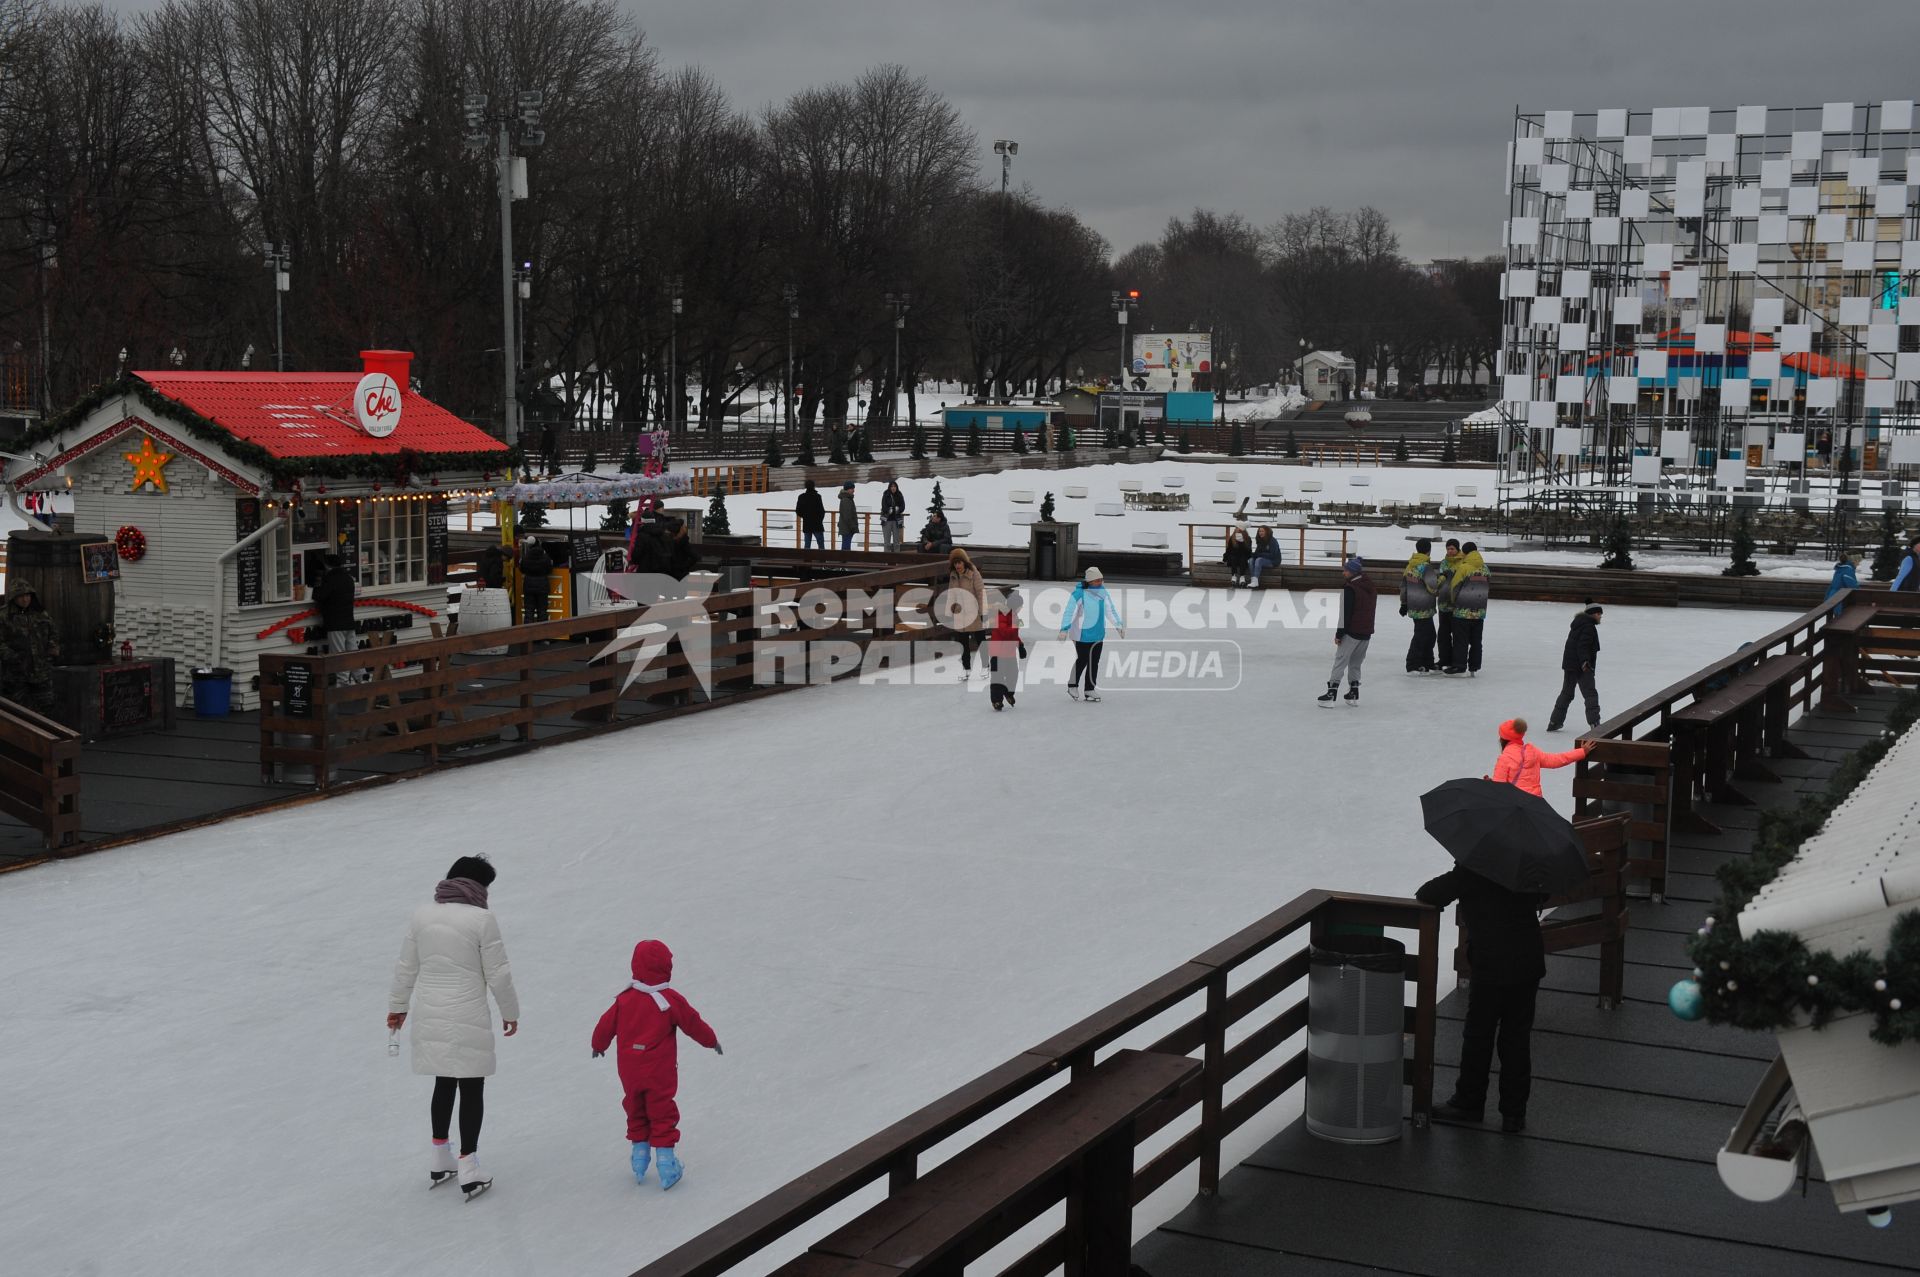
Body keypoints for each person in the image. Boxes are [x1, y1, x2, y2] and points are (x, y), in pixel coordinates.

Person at [388, 855, 520, 1199]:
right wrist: (510, 1012)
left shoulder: (422, 915)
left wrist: (397, 1009)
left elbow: (406, 966)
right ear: (478, 885)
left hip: (430, 1012)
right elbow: (498, 974)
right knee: (471, 1087)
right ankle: (468, 1163)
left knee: (444, 1081)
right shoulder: (482, 919)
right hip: (467, 1014)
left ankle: (439, 1154)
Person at [1416, 861, 1548, 1134]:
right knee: (1517, 1037)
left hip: (1492, 963)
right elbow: (1543, 894)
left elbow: (1430, 892)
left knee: (1478, 1034)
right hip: (1527, 962)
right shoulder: (1528, 864)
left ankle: (1469, 1103)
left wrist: (1462, 868)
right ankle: (1514, 1114)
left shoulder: (1476, 866)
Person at [591, 940, 720, 1191]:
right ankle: (666, 1163)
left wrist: (598, 1045)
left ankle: (639, 1158)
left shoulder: (624, 999)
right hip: (658, 1071)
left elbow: (605, 1025)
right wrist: (711, 1040)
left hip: (629, 1069)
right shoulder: (670, 1000)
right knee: (661, 1111)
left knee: (635, 1106)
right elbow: (693, 1023)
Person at [1059, 565, 1124, 702]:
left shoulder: (1103, 592)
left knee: (1094, 662)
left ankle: (1089, 689)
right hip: (1082, 635)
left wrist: (1118, 625)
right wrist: (1064, 629)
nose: (1100, 582)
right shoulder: (1079, 594)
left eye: (1101, 579)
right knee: (1082, 660)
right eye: (1097, 580)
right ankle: (1072, 685)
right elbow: (1069, 612)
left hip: (1098, 634)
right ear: (1089, 581)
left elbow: (1110, 610)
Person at [1319, 557, 1376, 706]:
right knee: (1356, 663)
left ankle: (1331, 693)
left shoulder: (1350, 588)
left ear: (1352, 572)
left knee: (1340, 661)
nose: (1343, 573)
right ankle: (1353, 693)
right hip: (1366, 632)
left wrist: (1339, 634)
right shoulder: (1369, 586)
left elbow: (1345, 614)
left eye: (1346, 570)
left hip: (1352, 632)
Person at [1490, 717, 1587, 798]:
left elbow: (1499, 788)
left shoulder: (1504, 758)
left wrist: (1489, 784)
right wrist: (1582, 751)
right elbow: (1557, 760)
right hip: (1535, 802)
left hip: (1515, 803)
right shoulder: (1532, 752)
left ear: (1503, 739)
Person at [0, 581, 58, 713]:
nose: (25, 599)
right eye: (21, 596)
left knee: (46, 709)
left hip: (41, 672)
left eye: (28, 595)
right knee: (18, 712)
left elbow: (53, 632)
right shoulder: (4, 616)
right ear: (14, 597)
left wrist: (52, 651)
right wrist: (12, 657)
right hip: (16, 674)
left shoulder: (40, 613)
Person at [1547, 604, 1604, 732]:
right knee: (1590, 694)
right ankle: (1595, 724)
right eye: (1599, 614)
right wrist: (1585, 662)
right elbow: (1582, 646)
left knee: (1566, 693)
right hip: (1582, 666)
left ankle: (1554, 722)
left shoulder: (1578, 624)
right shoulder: (1588, 627)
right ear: (1593, 614)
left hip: (1570, 665)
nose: (1600, 617)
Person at [939, 548, 989, 678]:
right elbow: (951, 594)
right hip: (960, 614)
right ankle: (966, 668)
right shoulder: (953, 575)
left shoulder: (974, 573)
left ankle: (985, 666)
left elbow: (980, 592)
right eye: (955, 563)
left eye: (959, 562)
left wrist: (983, 611)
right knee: (963, 643)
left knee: (980, 640)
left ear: (964, 562)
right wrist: (948, 613)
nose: (958, 566)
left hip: (974, 612)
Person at [1445, 542, 1490, 676]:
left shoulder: (1464, 568)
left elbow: (1455, 587)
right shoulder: (1485, 569)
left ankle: (1459, 666)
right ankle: (1474, 666)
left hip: (1463, 611)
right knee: (1476, 641)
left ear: (1464, 553)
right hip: (1479, 611)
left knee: (1461, 639)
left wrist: (1454, 601)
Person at [1400, 538, 1441, 673]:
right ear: (1429, 550)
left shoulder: (1410, 565)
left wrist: (1404, 603)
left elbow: (1404, 585)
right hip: (1424, 607)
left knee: (1428, 634)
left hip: (1413, 605)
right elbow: (1433, 588)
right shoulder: (1425, 566)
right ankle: (1412, 664)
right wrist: (1442, 579)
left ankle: (1427, 662)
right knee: (1422, 635)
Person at [987, 589, 1027, 710]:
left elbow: (1014, 635)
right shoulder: (1000, 614)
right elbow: (1005, 633)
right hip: (998, 652)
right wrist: (1016, 625)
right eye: (1020, 606)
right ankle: (997, 701)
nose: (1021, 608)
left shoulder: (1014, 614)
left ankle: (1008, 693)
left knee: (1013, 675)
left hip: (1009, 652)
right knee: (997, 677)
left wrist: (1020, 645)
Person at [313, 553, 358, 658]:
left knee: (338, 655)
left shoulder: (331, 579)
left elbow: (319, 596)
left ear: (327, 566)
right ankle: (360, 674)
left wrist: (317, 584)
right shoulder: (348, 578)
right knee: (353, 652)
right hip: (349, 621)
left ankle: (343, 675)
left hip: (335, 623)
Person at [1435, 538, 1462, 670]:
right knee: (1443, 634)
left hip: (1456, 605)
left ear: (1458, 549)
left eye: (1452, 549)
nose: (1450, 551)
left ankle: (1456, 661)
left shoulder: (1462, 562)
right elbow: (1439, 580)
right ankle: (1444, 659)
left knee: (1457, 634)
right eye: (1448, 549)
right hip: (1443, 604)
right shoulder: (1444, 563)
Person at [518, 537, 552, 624]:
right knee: (542, 612)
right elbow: (549, 569)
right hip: (542, 586)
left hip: (529, 586)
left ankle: (528, 635)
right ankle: (543, 634)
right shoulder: (545, 556)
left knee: (529, 611)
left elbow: (521, 569)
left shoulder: (525, 557)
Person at [796, 479, 826, 551]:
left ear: (805, 486)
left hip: (807, 523)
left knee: (807, 544)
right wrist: (819, 519)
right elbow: (822, 511)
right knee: (821, 544)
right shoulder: (817, 496)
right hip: (817, 524)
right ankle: (822, 559)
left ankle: (807, 559)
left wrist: (805, 516)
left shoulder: (801, 497)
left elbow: (798, 511)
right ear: (814, 486)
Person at [880, 480, 906, 552]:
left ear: (897, 487)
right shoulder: (886, 494)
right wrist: (888, 510)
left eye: (894, 486)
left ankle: (896, 559)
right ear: (889, 487)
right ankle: (886, 559)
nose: (893, 488)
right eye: (891, 486)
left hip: (896, 520)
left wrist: (898, 509)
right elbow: (883, 506)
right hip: (887, 520)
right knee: (887, 542)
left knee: (896, 542)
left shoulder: (899, 495)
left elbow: (903, 506)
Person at [837, 482, 859, 552]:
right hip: (847, 528)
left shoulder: (847, 498)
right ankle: (843, 561)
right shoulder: (846, 499)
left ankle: (843, 560)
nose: (853, 490)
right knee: (846, 547)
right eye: (852, 488)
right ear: (847, 489)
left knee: (846, 545)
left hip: (846, 527)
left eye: (853, 488)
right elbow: (847, 516)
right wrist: (852, 526)